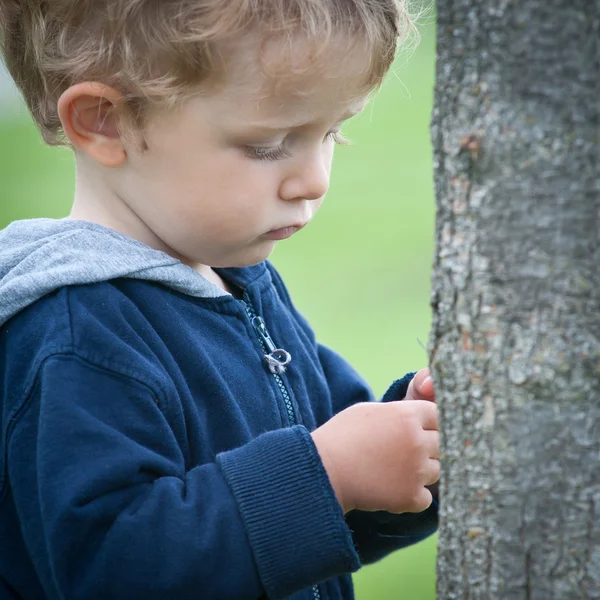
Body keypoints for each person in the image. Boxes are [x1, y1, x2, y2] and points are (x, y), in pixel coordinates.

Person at [0, 1, 440, 598]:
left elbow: (319, 523)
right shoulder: (78, 336)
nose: (314, 180)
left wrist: (410, 441)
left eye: (332, 131)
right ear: (105, 121)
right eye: (268, 143)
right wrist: (331, 474)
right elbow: (113, 570)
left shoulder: (237, 281)